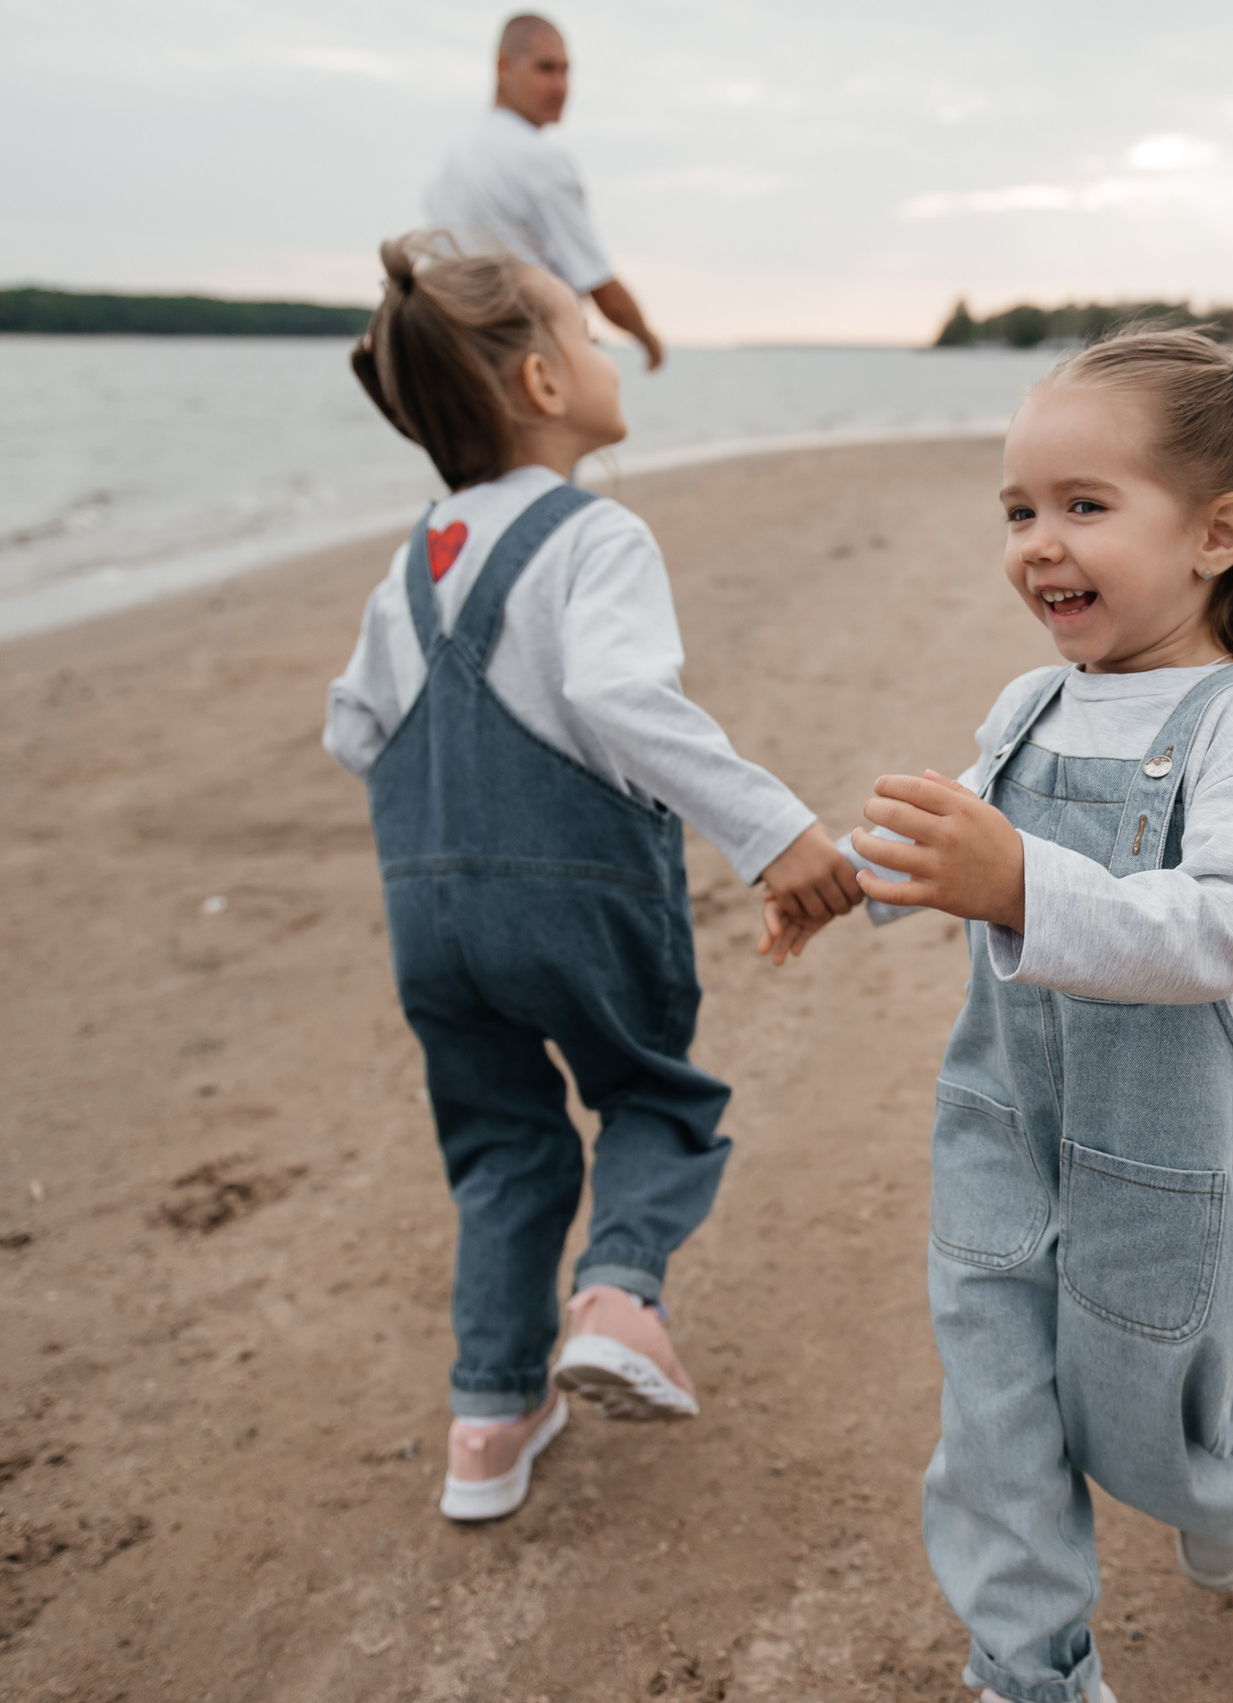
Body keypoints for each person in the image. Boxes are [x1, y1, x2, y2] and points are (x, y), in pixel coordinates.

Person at [790, 331, 1233, 1703]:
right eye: (1018, 510)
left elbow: (1230, 925)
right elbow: (949, 834)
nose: (1038, 543)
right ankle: (1031, 1672)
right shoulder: (1027, 705)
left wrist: (1020, 882)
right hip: (999, 1137)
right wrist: (848, 874)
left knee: (1150, 1439)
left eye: (1083, 504)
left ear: (1216, 534)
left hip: (1156, 1169)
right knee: (996, 1433)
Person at [324, 231, 863, 1522]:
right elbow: (621, 698)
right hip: (575, 898)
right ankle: (618, 1295)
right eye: (589, 332)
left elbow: (351, 726)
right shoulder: (594, 535)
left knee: (502, 1142)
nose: (609, 349)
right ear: (542, 383)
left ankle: (489, 1419)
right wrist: (775, 832)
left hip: (428, 911)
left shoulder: (413, 561)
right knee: (652, 1092)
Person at [425, 13, 665, 371]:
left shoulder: (455, 154)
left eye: (566, 71)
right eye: (545, 69)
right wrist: (648, 338)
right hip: (523, 361)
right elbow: (600, 285)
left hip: (455, 359)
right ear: (504, 67)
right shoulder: (540, 160)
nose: (560, 86)